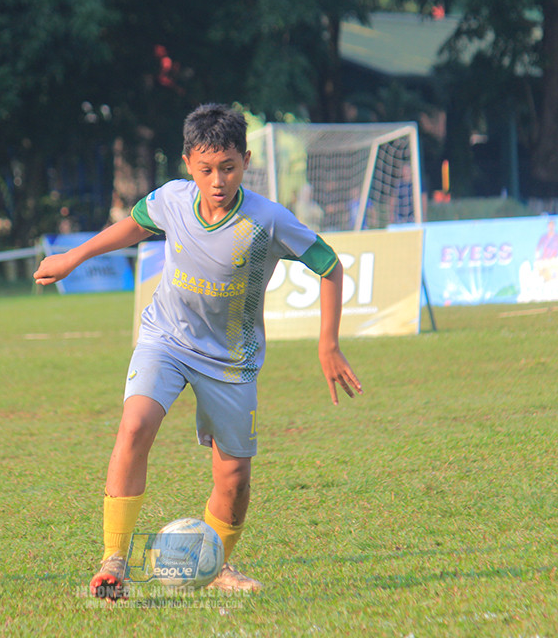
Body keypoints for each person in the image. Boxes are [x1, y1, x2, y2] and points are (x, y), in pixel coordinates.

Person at [34, 104, 362, 600]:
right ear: (188, 162)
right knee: (135, 424)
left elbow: (329, 264)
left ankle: (219, 564)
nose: (217, 180)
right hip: (165, 337)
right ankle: (113, 562)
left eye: (228, 167)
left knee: (233, 476)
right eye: (206, 169)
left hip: (230, 360)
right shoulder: (171, 199)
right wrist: (73, 257)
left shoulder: (267, 220)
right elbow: (135, 225)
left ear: (246, 161)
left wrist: (328, 342)